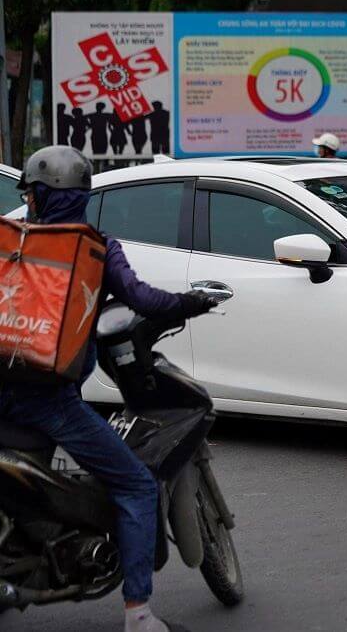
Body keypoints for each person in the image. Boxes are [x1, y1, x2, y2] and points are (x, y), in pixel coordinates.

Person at [0, 146, 216, 632]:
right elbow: (141, 298)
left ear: (34, 196)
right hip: (47, 402)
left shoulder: (8, 244)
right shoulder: (95, 248)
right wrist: (189, 303)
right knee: (138, 485)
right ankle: (138, 614)